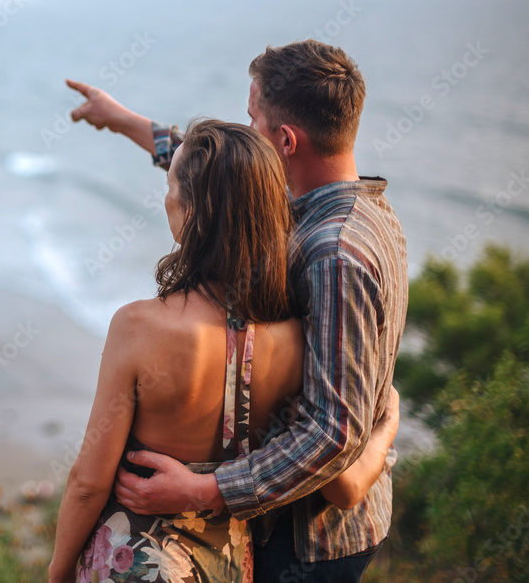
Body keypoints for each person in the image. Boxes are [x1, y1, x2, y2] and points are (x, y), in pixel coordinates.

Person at [64, 39, 408, 582]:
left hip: (309, 543)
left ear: (286, 141)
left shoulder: (330, 253)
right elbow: (221, 185)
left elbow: (334, 434)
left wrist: (203, 489)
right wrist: (125, 121)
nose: (246, 131)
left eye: (253, 119)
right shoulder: (361, 208)